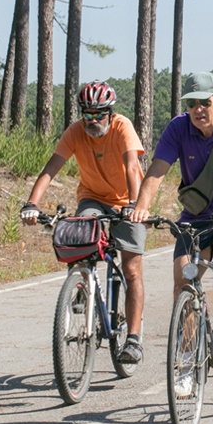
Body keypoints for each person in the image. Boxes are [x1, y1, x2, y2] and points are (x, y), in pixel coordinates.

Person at [129, 72, 213, 358]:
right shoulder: (178, 128)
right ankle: (187, 361)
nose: (198, 109)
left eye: (204, 101)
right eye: (191, 103)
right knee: (183, 282)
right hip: (197, 218)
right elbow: (156, 171)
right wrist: (141, 207)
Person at [20, 81, 147, 364]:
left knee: (132, 268)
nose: (92, 120)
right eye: (86, 114)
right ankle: (81, 286)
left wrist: (134, 206)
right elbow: (51, 168)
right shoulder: (76, 131)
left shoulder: (122, 127)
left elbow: (131, 166)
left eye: (98, 114)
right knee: (78, 237)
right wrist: (32, 204)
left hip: (128, 199)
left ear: (110, 113)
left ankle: (134, 339)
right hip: (92, 197)